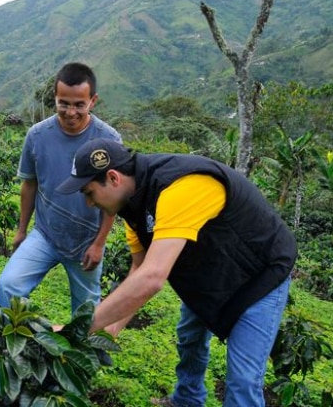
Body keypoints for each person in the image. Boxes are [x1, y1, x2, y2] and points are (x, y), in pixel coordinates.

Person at [56, 138, 296, 407]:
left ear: (113, 178)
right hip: (209, 274)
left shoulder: (179, 186)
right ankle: (187, 400)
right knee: (189, 338)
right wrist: (107, 331)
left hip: (259, 277)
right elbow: (139, 269)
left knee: (242, 380)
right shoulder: (132, 206)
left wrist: (74, 330)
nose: (89, 203)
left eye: (89, 193)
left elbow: (152, 277)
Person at [0, 62, 122, 314]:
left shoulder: (109, 140)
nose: (71, 111)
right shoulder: (37, 135)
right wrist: (21, 230)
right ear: (54, 98)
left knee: (85, 313)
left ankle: (82, 352)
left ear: (93, 101)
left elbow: (114, 199)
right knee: (8, 285)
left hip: (86, 241)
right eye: (63, 103)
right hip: (45, 234)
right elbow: (29, 184)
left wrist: (99, 243)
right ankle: (13, 346)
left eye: (79, 104)